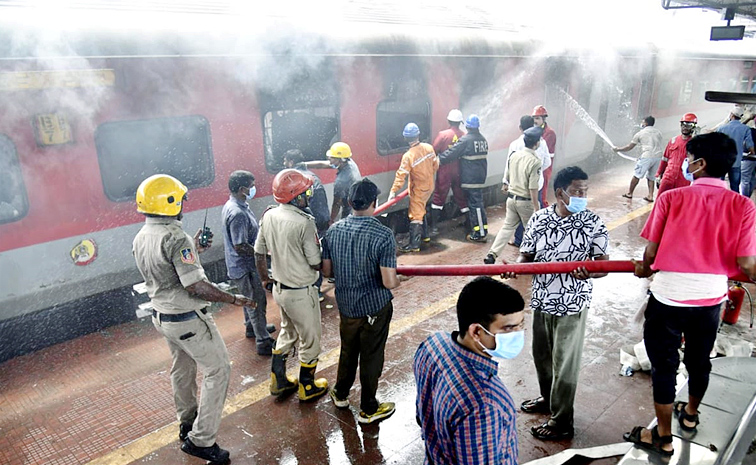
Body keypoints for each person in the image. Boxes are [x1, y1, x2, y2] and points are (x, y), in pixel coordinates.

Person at [623, 132, 756, 457]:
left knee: (664, 367)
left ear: (700, 164)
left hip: (668, 298)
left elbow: (650, 256)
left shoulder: (671, 199)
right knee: (699, 361)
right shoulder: (743, 205)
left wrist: (643, 267)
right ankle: (692, 415)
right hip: (710, 300)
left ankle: (664, 437)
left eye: (689, 158)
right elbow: (747, 264)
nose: (684, 163)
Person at [132, 174, 255, 464]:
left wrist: (194, 251)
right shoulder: (176, 237)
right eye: (181, 199)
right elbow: (195, 286)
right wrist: (233, 299)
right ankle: (201, 440)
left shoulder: (142, 236)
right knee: (218, 370)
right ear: (170, 203)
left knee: (183, 369)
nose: (184, 204)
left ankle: (187, 423)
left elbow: (165, 270)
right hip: (187, 319)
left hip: (162, 317)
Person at [504, 166, 609, 441]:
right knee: (542, 357)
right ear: (560, 193)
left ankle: (562, 420)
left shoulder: (593, 222)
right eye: (577, 191)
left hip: (573, 303)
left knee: (565, 365)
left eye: (585, 191)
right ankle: (549, 399)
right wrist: (515, 269)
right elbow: (525, 257)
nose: (582, 196)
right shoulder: (539, 219)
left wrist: (591, 270)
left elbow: (604, 265)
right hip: (542, 299)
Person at [414, 276, 524, 465]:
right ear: (476, 332)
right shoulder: (484, 405)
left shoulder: (433, 345)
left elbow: (421, 413)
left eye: (521, 325)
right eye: (509, 328)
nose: (518, 334)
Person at [322, 178, 401, 423]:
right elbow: (389, 282)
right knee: (371, 355)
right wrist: (399, 280)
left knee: (348, 349)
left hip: (346, 304)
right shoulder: (383, 234)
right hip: (374, 307)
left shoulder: (333, 230)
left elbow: (327, 272)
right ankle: (368, 408)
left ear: (349, 202)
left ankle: (341, 393)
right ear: (374, 202)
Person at [254, 169, 328, 402]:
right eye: (306, 192)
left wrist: (265, 279)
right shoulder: (304, 222)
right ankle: (307, 387)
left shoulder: (269, 215)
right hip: (301, 292)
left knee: (287, 331)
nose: (310, 195)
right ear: (295, 197)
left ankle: (279, 381)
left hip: (280, 290)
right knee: (310, 339)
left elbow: (258, 253)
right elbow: (316, 263)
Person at [221, 170, 276, 355]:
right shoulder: (238, 213)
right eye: (251, 186)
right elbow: (239, 245)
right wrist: (261, 253)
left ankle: (252, 328)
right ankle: (263, 341)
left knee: (247, 299)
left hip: (239, 266)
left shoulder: (234, 205)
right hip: (245, 266)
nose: (254, 189)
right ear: (243, 189)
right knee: (256, 302)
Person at [485, 126, 543, 264]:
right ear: (536, 143)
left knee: (506, 228)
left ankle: (492, 254)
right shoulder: (535, 162)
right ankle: (533, 260)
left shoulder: (514, 156)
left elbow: (508, 176)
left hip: (511, 199)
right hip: (526, 202)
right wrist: (536, 207)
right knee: (533, 231)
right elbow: (533, 187)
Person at [284, 149, 331, 300]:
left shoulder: (296, 179)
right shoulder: (313, 176)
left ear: (291, 162)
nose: (284, 164)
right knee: (316, 254)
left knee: (309, 256)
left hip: (310, 223)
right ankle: (316, 288)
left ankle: (314, 290)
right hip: (321, 220)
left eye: (285, 161)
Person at [388, 122, 439, 252]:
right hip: (429, 185)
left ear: (405, 138)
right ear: (418, 135)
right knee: (422, 208)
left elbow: (401, 175)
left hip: (419, 189)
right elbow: (435, 165)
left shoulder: (408, 156)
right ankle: (425, 237)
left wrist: (393, 191)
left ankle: (414, 245)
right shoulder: (429, 148)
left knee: (416, 215)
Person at [438, 114, 489, 242]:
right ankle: (476, 228)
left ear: (467, 126)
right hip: (479, 176)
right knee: (476, 203)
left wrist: (439, 159)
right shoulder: (483, 139)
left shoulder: (466, 140)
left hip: (470, 178)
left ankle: (480, 233)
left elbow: (452, 152)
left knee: (476, 205)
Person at [504, 115, 551, 248]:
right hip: (537, 183)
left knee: (520, 212)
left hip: (519, 185)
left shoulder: (515, 144)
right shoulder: (542, 142)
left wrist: (505, 181)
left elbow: (509, 164)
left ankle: (519, 240)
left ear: (520, 128)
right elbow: (547, 162)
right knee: (538, 212)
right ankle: (540, 242)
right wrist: (537, 171)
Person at [430, 109, 468, 236]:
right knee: (461, 196)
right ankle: (468, 222)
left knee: (439, 197)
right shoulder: (464, 135)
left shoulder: (442, 135)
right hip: (459, 170)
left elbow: (433, 151)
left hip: (444, 171)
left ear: (448, 120)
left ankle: (434, 227)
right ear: (460, 122)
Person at [303, 142, 361, 224]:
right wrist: (304, 164)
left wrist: (331, 220)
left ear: (340, 160)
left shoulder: (341, 181)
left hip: (351, 211)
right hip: (357, 203)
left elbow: (336, 204)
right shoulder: (348, 162)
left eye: (332, 157)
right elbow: (323, 165)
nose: (329, 158)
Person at [613, 116, 664, 202]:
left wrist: (618, 149)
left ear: (646, 123)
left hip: (647, 157)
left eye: (643, 122)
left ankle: (630, 193)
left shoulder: (640, 133)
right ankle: (650, 196)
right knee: (651, 177)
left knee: (637, 175)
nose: (642, 123)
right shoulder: (658, 132)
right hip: (658, 157)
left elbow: (629, 147)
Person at [656, 113, 697, 196]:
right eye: (683, 125)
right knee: (660, 201)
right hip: (668, 177)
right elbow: (665, 159)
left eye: (688, 125)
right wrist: (658, 174)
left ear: (693, 127)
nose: (685, 128)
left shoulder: (695, 143)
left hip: (683, 181)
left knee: (678, 205)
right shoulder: (673, 140)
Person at [717, 105, 755, 193]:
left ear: (731, 115)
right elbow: (750, 145)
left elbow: (715, 144)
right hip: (736, 162)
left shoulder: (721, 128)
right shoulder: (745, 129)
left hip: (722, 161)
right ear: (740, 117)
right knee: (735, 187)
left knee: (719, 185)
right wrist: (751, 152)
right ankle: (735, 204)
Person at [533, 105, 556, 207]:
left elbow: (542, 150)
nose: (535, 121)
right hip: (536, 166)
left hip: (545, 167)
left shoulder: (549, 133)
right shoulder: (534, 131)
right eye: (534, 118)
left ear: (544, 119)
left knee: (542, 195)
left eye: (537, 118)